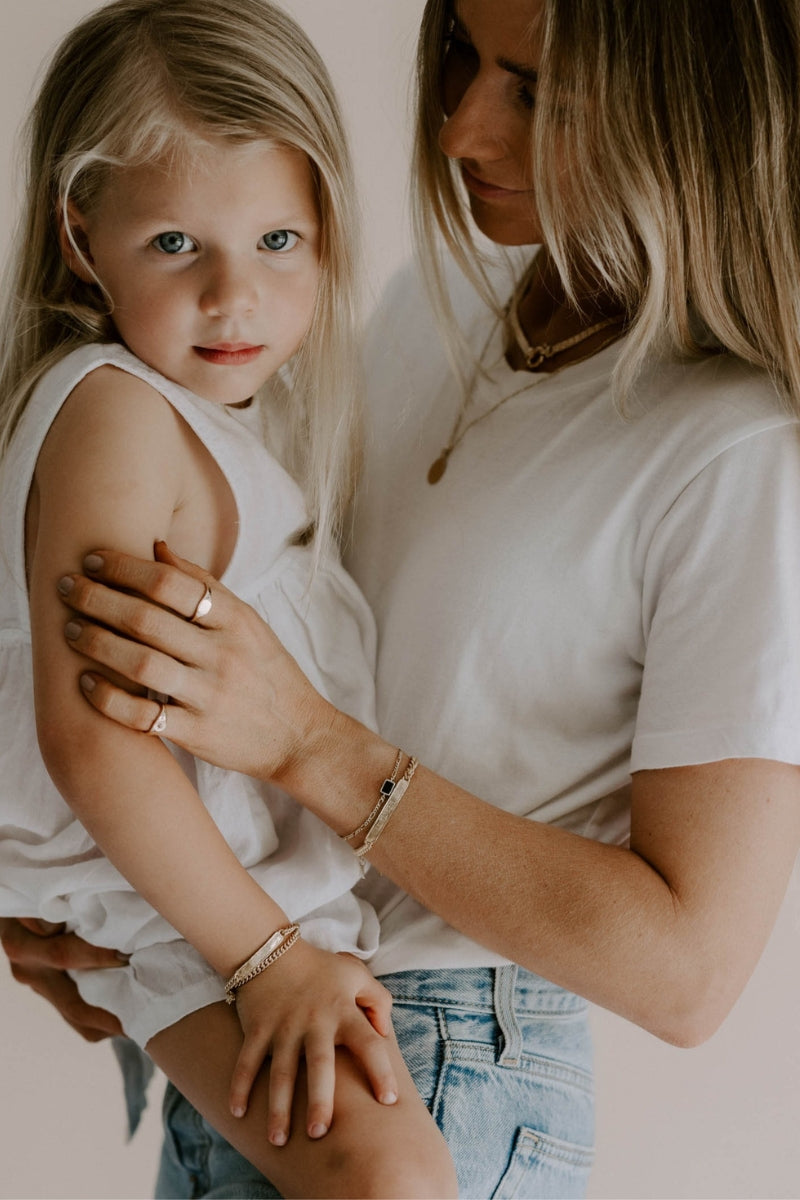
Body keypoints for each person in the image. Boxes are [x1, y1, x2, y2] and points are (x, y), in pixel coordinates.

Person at [5, 0, 800, 1196]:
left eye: (537, 92)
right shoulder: (427, 313)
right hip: (257, 1015)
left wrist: (310, 748)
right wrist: (115, 901)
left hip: (430, 1059)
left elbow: (686, 976)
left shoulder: (734, 449)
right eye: (458, 56)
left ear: (682, 112)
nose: (457, 129)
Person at [0, 1, 458, 1197]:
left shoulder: (224, 424)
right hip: (193, 920)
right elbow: (92, 739)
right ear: (78, 231)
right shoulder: (114, 412)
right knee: (393, 1176)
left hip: (206, 913)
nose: (232, 296)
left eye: (276, 241)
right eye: (174, 244)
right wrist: (269, 959)